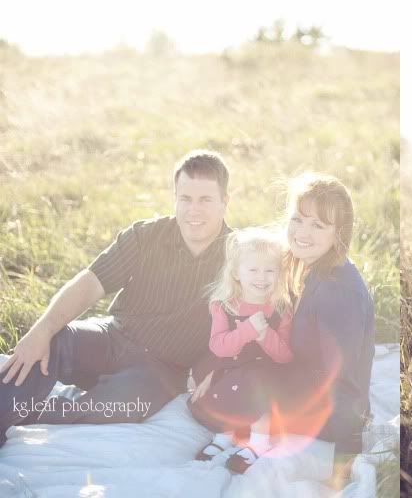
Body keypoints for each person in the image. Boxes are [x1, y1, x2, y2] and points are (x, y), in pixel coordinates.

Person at [0, 150, 231, 447]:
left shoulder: (238, 257)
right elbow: (89, 283)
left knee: (121, 406)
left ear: (225, 201)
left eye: (205, 200)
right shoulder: (145, 236)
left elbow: (251, 324)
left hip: (159, 372)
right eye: (185, 199)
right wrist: (42, 329)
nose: (193, 210)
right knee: (56, 340)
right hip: (112, 336)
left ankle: (31, 416)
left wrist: (217, 368)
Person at [283, 172, 375, 464]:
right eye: (297, 219)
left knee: (234, 395)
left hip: (327, 413)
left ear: (339, 234)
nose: (302, 231)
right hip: (307, 386)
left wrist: (345, 450)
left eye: (318, 225)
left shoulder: (338, 292)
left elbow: (344, 379)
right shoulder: (313, 268)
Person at [188, 227, 294, 474]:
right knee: (223, 386)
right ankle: (225, 434)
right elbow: (218, 346)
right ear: (236, 272)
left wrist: (264, 334)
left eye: (270, 270)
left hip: (266, 372)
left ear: (279, 274)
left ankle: (259, 442)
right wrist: (247, 330)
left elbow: (285, 355)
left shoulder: (280, 309)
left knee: (257, 384)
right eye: (253, 269)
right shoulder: (224, 305)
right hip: (231, 365)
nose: (262, 277)